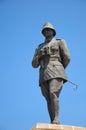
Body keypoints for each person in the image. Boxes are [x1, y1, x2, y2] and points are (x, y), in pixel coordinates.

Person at [32, 22, 70, 124]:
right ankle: (52, 121)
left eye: (48, 30)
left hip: (56, 71)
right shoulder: (39, 47)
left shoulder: (59, 42)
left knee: (53, 93)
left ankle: (56, 119)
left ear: (53, 31)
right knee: (48, 98)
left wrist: (60, 68)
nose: (46, 31)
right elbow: (34, 65)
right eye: (44, 31)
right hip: (44, 73)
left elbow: (67, 57)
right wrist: (39, 56)